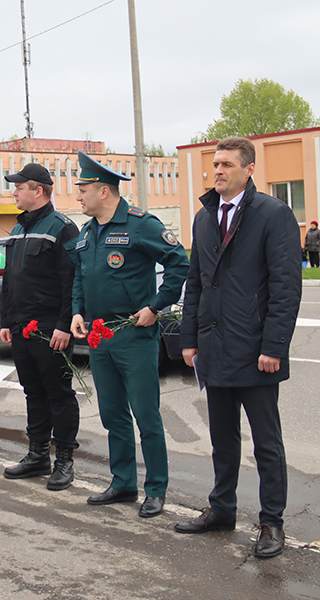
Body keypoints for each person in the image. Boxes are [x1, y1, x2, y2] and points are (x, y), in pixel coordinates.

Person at [176, 137, 302, 559]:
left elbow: (286, 287)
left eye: (227, 164)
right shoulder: (204, 217)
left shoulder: (273, 214)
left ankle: (272, 522)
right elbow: (195, 283)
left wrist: (274, 345)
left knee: (266, 442)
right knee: (222, 439)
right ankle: (222, 510)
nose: (218, 171)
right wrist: (190, 341)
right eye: (215, 164)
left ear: (249, 169)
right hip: (214, 348)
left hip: (256, 350)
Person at [69, 151, 188, 518]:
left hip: (134, 332)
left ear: (104, 192)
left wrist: (156, 306)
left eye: (83, 189)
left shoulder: (140, 224)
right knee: (112, 414)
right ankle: (122, 482)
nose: (78, 196)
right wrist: (77, 310)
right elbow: (80, 276)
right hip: (99, 334)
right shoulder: (87, 232)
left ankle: (156, 489)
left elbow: (179, 262)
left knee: (145, 414)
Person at [0, 164, 81, 488]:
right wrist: (5, 319)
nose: (14, 192)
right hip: (20, 326)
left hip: (50, 328)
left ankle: (64, 460)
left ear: (39, 191)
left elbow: (72, 280)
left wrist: (63, 324)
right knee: (33, 392)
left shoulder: (62, 227)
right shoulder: (17, 230)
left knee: (58, 394)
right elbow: (10, 281)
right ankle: (37, 455)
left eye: (19, 187)